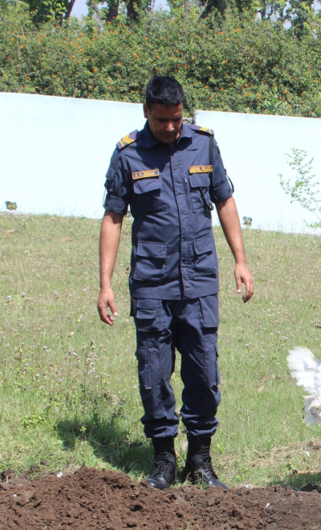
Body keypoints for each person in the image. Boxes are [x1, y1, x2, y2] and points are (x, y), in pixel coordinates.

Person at [96, 75, 255, 490]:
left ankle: (199, 460)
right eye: (163, 120)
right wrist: (105, 283)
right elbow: (114, 217)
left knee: (204, 370)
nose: (171, 127)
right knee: (154, 373)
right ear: (146, 111)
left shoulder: (202, 143)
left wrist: (241, 260)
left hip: (200, 279)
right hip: (151, 282)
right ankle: (164, 460)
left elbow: (224, 198)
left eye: (177, 119)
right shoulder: (128, 155)